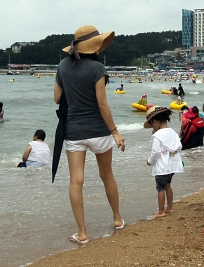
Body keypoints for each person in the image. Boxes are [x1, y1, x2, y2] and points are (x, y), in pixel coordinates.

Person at [54, 25, 125, 244]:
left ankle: (82, 232)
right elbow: (102, 104)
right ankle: (117, 219)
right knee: (107, 176)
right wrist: (115, 132)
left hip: (74, 132)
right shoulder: (97, 68)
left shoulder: (62, 66)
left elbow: (57, 99)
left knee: (76, 181)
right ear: (94, 46)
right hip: (99, 132)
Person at [144, 106, 183, 218]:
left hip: (162, 167)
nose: (152, 126)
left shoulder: (157, 136)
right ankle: (169, 207)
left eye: (152, 124)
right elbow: (179, 146)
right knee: (167, 185)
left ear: (155, 121)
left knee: (160, 188)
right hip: (173, 165)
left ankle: (161, 211)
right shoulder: (173, 132)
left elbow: (156, 152)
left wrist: (149, 161)